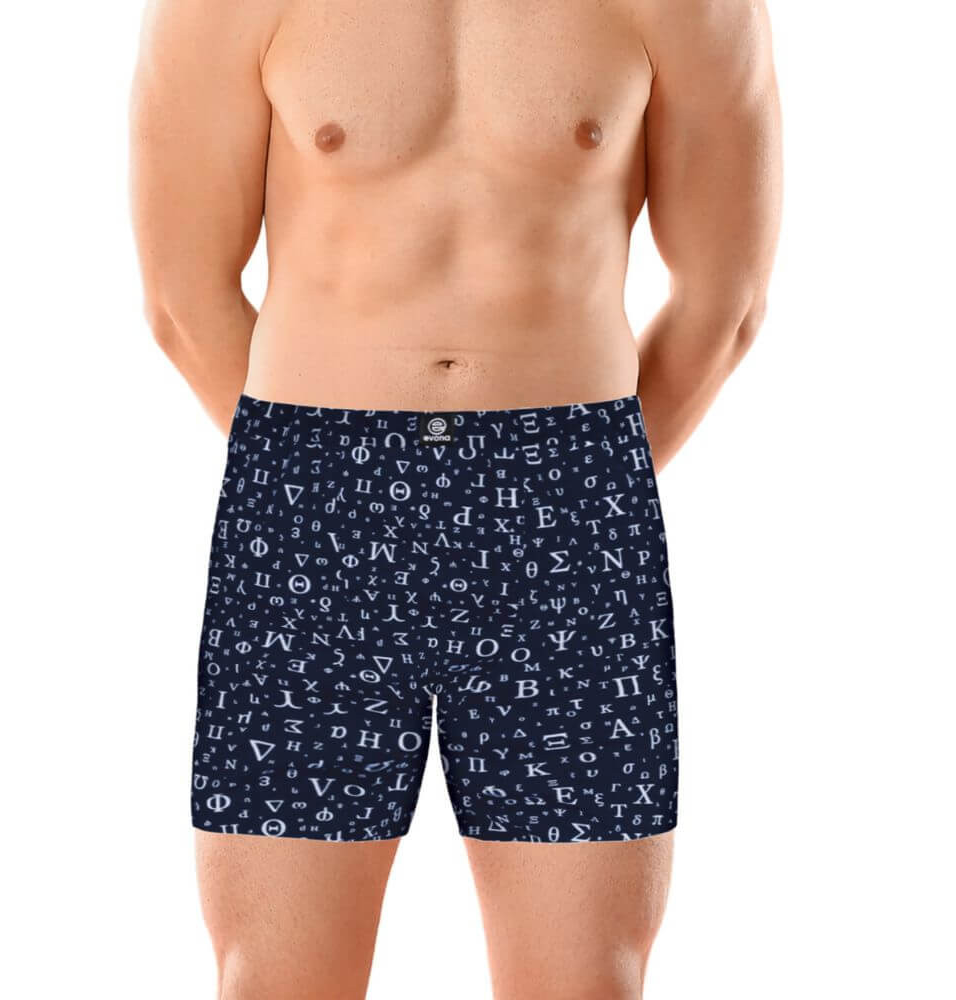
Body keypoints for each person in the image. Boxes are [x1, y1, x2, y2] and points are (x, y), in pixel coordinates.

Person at [128, 0, 781, 995]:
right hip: (314, 509)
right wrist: (330, 487)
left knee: (585, 984)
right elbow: (183, 300)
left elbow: (723, 305)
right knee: (276, 981)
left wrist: (565, 494)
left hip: (569, 509)